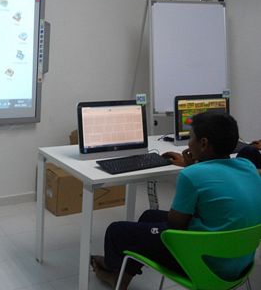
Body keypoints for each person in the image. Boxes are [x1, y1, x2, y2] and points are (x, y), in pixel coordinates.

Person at [91, 112, 261, 290]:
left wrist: (192, 170)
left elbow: (175, 224)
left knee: (116, 231)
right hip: (240, 262)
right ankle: (121, 277)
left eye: (191, 137)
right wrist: (195, 167)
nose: (188, 143)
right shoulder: (248, 166)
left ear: (203, 143)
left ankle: (112, 269)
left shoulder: (192, 175)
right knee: (149, 216)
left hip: (205, 265)